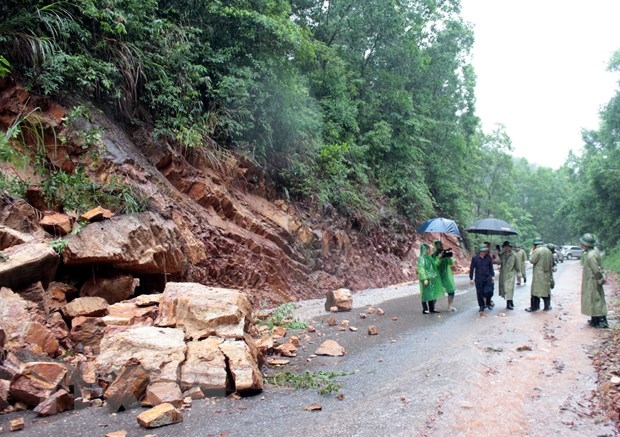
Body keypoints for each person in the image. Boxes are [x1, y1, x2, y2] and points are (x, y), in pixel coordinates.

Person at [579, 233, 609, 328]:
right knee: (593, 299)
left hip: (593, 280)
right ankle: (595, 319)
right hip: (591, 279)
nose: (581, 245)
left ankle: (602, 321)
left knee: (596, 300)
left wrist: (600, 279)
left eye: (583, 244)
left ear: (586, 245)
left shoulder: (590, 255)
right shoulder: (594, 251)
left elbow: (596, 270)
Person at [525, 237, 554, 312]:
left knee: (535, 291)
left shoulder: (537, 250)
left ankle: (534, 307)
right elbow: (552, 263)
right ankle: (547, 306)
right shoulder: (548, 251)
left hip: (538, 275)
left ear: (535, 245)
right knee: (545, 291)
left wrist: (532, 252)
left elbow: (532, 260)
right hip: (547, 274)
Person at [417, 243, 445, 314]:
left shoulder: (429, 257)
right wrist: (425, 278)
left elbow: (434, 266)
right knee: (425, 294)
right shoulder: (422, 258)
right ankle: (425, 309)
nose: (430, 250)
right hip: (426, 279)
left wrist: (439, 258)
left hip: (432, 279)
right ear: (425, 249)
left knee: (431, 293)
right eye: (429, 249)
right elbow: (421, 269)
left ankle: (431, 308)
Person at [433, 240, 457, 312]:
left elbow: (451, 263)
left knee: (451, 290)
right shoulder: (433, 255)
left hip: (445, 276)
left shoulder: (445, 253)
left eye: (440, 245)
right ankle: (432, 307)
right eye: (437, 245)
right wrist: (439, 258)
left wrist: (448, 258)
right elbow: (434, 265)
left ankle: (449, 306)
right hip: (437, 277)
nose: (439, 247)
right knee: (436, 292)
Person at [469, 244, 495, 312]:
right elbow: (472, 268)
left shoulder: (488, 257)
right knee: (480, 293)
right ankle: (481, 306)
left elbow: (491, 267)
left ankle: (488, 302)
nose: (484, 252)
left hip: (487, 277)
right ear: (480, 251)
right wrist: (471, 278)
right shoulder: (475, 258)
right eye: (483, 251)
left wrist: (492, 276)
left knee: (489, 291)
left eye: (485, 251)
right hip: (479, 278)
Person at [498, 241, 518, 310]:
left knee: (509, 289)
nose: (506, 248)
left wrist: (519, 272)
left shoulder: (514, 255)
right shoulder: (502, 255)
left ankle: (508, 303)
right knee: (505, 289)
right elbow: (498, 262)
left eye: (508, 247)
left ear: (510, 247)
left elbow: (517, 265)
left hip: (510, 274)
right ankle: (510, 300)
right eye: (505, 247)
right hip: (503, 274)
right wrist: (497, 253)